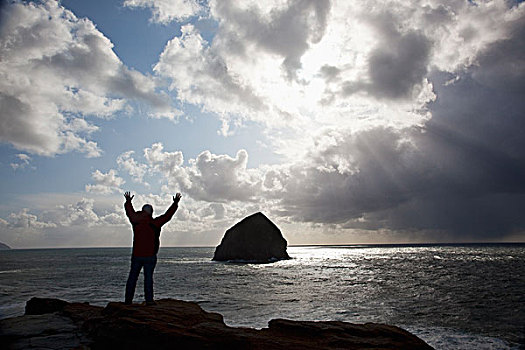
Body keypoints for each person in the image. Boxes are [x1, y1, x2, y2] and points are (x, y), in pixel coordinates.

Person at [123, 191, 182, 305]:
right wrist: (175, 204)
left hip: (137, 255)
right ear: (151, 212)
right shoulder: (155, 223)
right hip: (150, 255)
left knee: (132, 278)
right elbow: (167, 216)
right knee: (148, 279)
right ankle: (149, 300)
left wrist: (128, 202)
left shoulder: (136, 221)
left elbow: (129, 212)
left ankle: (128, 301)